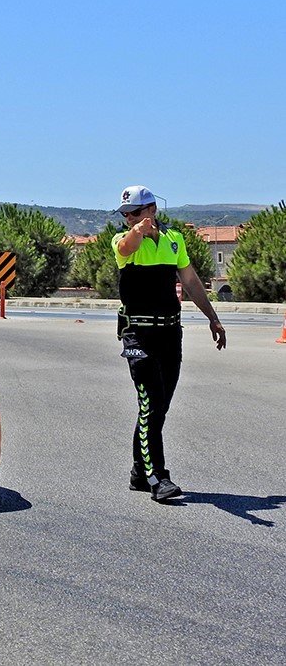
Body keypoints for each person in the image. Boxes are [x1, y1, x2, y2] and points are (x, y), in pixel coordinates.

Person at [112, 184, 226, 502]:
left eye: (135, 212)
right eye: (125, 214)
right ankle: (157, 477)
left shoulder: (174, 239)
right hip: (138, 334)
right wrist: (137, 230)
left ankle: (139, 471)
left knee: (159, 408)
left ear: (152, 209)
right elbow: (126, 247)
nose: (129, 218)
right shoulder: (123, 240)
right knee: (150, 403)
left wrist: (213, 318)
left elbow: (190, 281)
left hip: (170, 334)